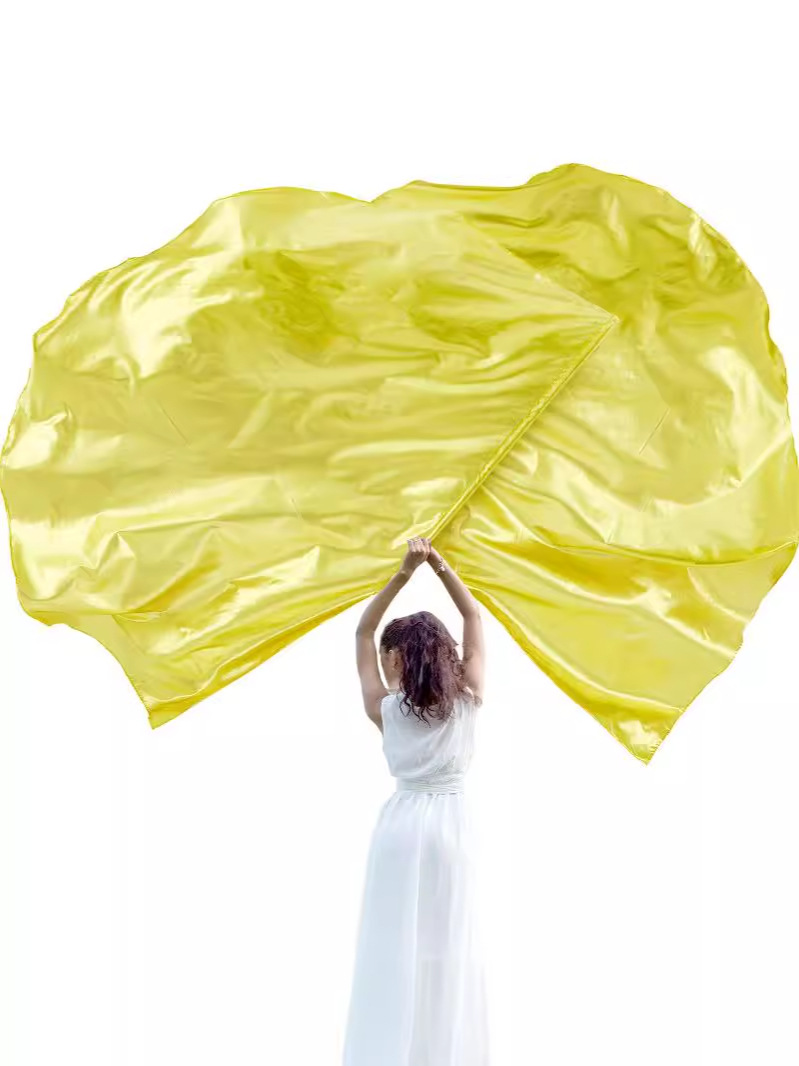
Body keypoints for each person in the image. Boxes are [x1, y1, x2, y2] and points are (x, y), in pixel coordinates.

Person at [342, 536, 490, 1066]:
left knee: (392, 945)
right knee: (447, 948)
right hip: (453, 829)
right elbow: (472, 615)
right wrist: (440, 566)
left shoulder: (384, 708)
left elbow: (362, 630)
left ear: (396, 658)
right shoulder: (470, 698)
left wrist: (404, 573)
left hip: (401, 828)